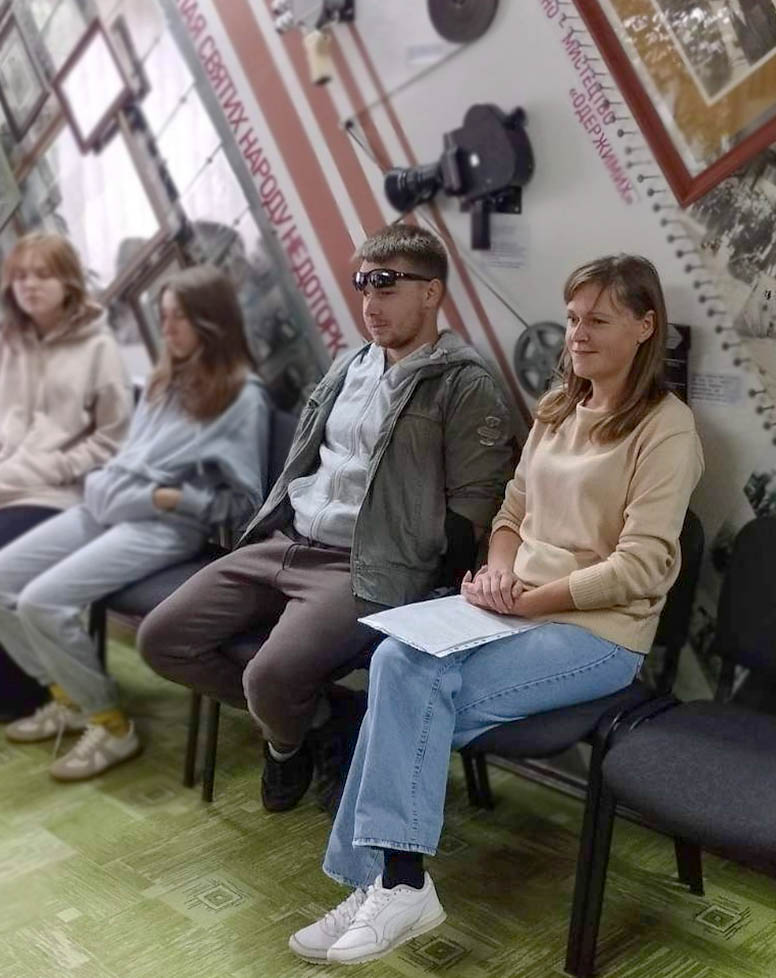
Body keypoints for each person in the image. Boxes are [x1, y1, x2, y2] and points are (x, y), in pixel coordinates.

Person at [289, 254, 705, 965]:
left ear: (645, 327)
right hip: (514, 607)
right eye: (572, 318)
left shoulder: (668, 429)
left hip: (599, 633)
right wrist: (498, 574)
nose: (577, 334)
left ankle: (392, 883)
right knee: (395, 662)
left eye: (598, 320)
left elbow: (641, 568)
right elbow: (511, 512)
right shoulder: (559, 406)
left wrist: (528, 599)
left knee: (405, 696)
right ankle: (392, 883)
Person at [138, 224, 514, 813]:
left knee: (268, 678)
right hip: (288, 541)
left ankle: (285, 743)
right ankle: (324, 719)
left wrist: (426, 575)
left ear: (431, 293)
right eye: (363, 286)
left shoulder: (464, 384)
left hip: (364, 565)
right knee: (162, 640)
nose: (370, 304)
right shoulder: (351, 364)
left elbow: (476, 503)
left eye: (387, 287)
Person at [0, 264, 270, 781]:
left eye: (179, 318)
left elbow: (243, 504)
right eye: (163, 316)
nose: (167, 329)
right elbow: (128, 456)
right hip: (105, 507)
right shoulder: (166, 380)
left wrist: (167, 498)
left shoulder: (242, 395)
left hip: (159, 525)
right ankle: (69, 696)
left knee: (40, 602)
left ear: (212, 321)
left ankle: (110, 725)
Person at [0, 231, 132, 723]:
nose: (29, 285)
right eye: (21, 276)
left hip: (62, 494)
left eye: (43, 274)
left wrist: (46, 467)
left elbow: (112, 442)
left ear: (69, 282)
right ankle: (55, 688)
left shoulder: (98, 348)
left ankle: (40, 693)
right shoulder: (14, 345)